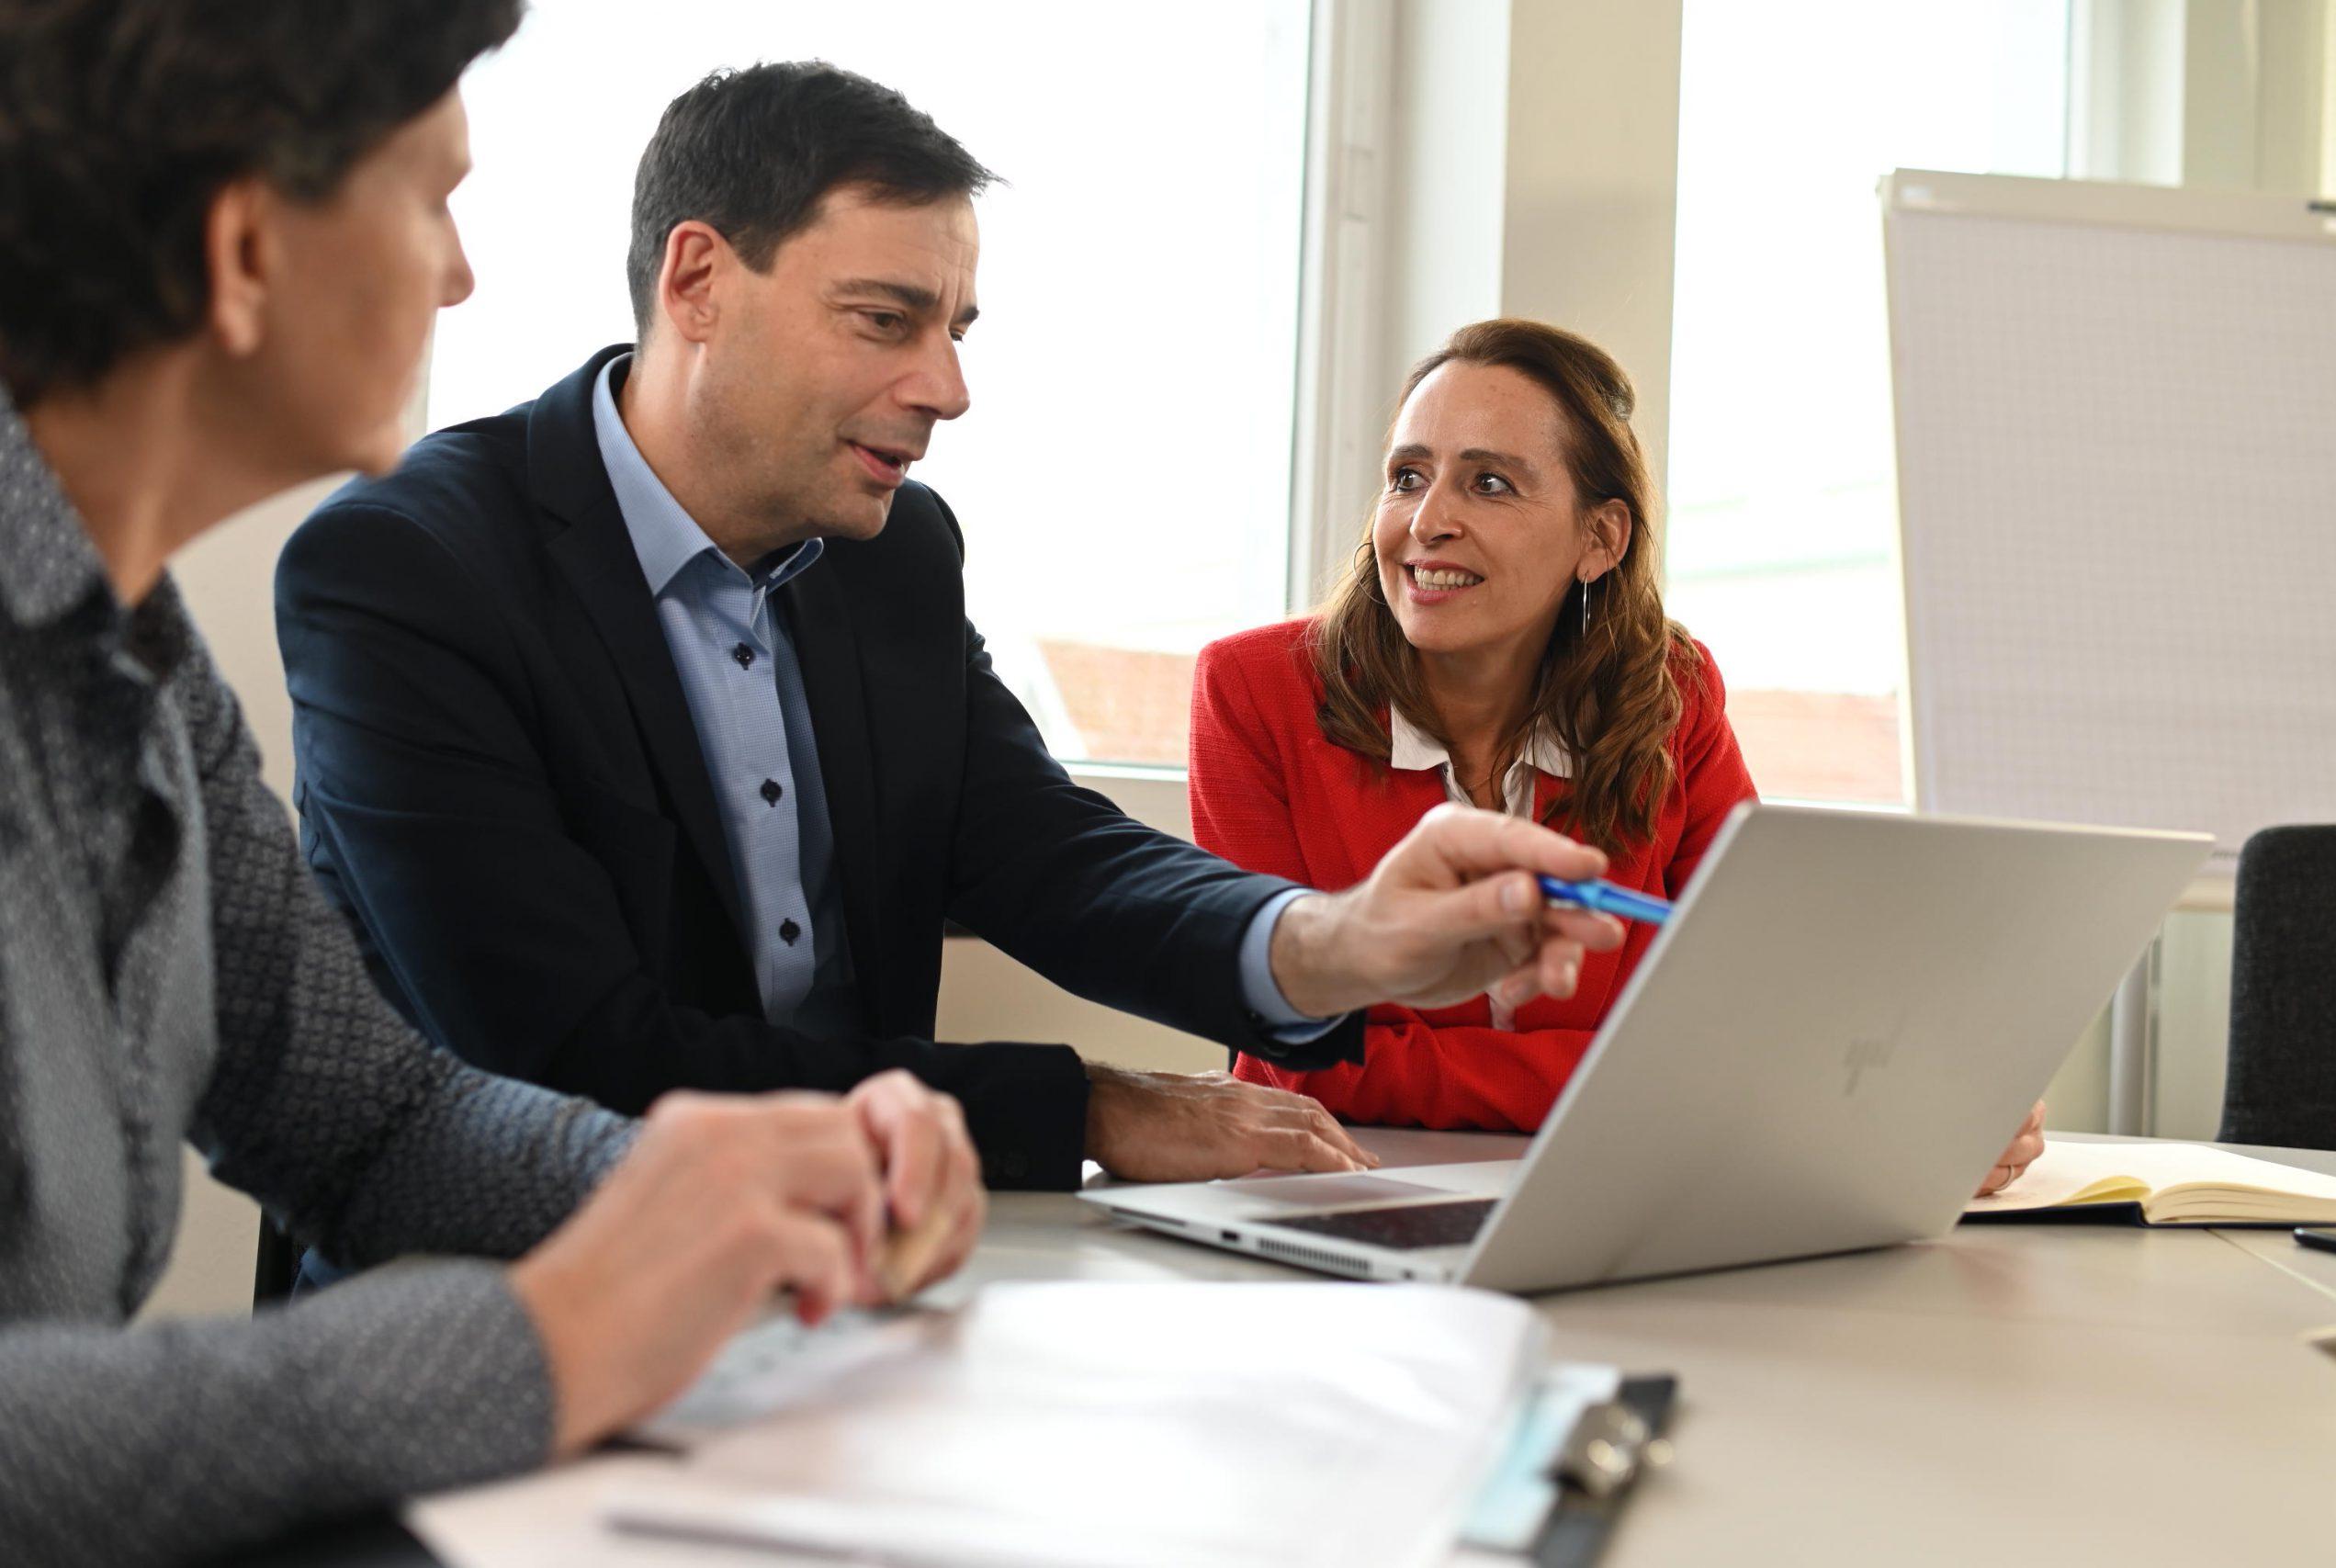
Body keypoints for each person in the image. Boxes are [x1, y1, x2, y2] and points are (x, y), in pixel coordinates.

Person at [275, 62, 1628, 1204]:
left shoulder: (892, 553)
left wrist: (1331, 940)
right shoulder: (407, 571)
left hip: (852, 1278)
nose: (950, 388)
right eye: (887, 320)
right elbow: (575, 1055)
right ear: (697, 280)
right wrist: (1078, 1103)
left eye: (956, 327)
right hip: (507, 1311)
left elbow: (1047, 850)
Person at [0, 6, 986, 1561]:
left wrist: (721, 1183)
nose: (459, 272)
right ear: (249, 246)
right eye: (434, 195)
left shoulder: (137, 665)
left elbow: (372, 1123)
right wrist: (539, 1345)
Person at [1190, 318, 2048, 1196]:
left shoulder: (1671, 692)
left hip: (1615, 1193)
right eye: (1407, 477)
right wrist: (1667, 1081)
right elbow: (1305, 1056)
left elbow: (1770, 992)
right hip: (1331, 1195)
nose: (1427, 520)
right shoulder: (1254, 691)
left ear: (1600, 540)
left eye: (1487, 483)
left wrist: (1926, 1094)